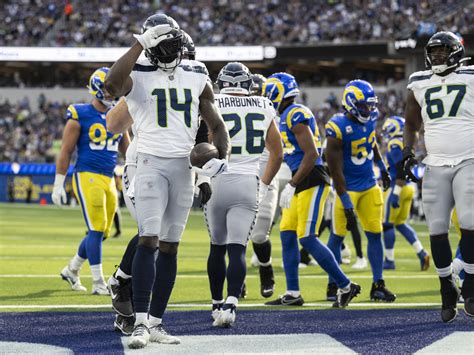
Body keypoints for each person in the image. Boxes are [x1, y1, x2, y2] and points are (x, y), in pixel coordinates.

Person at [105, 14, 230, 349]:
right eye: (163, 45)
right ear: (151, 46)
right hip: (147, 161)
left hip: (182, 165)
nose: (173, 51)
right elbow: (110, 86)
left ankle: (157, 323)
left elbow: (215, 123)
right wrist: (139, 43)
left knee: (171, 245)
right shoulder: (138, 70)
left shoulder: (196, 71)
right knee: (149, 237)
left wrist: (219, 159)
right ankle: (140, 324)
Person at [264, 73, 360, 308]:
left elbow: (312, 154)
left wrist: (293, 184)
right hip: (300, 180)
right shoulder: (287, 114)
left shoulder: (295, 114)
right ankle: (293, 292)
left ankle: (346, 286)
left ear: (277, 92)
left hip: (311, 179)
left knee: (307, 238)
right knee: (286, 234)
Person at [403, 31, 474, 322]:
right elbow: (411, 122)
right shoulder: (419, 82)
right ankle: (446, 285)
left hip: (469, 159)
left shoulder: (471, 75)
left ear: (456, 52)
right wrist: (408, 153)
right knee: (436, 228)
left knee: (470, 222)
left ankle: (470, 282)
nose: (438, 57)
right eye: (434, 52)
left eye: (443, 52)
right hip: (435, 163)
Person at [206, 63, 282, 327]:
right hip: (249, 181)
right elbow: (278, 152)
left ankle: (216, 305)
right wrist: (263, 184)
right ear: (248, 84)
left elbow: (201, 141)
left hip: (218, 179)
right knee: (237, 247)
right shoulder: (263, 104)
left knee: (217, 246)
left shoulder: (212, 100)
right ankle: (231, 303)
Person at [53, 67, 129, 295]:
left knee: (103, 232)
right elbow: (66, 151)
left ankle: (72, 269)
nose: (113, 93)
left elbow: (129, 148)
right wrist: (59, 183)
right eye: (109, 88)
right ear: (97, 88)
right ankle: (98, 282)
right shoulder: (80, 113)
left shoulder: (118, 114)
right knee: (95, 228)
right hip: (86, 174)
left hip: (108, 177)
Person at [325, 79, 396, 303]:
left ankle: (378, 284)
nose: (369, 109)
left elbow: (371, 141)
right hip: (346, 187)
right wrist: (345, 200)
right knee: (337, 237)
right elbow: (335, 170)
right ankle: (333, 284)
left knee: (375, 234)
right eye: (364, 105)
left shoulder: (372, 118)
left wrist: (382, 166)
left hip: (368, 184)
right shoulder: (336, 126)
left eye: (370, 105)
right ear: (351, 103)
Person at [381, 116, 430, 271]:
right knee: (401, 224)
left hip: (399, 187)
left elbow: (401, 168)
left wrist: (395, 192)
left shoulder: (395, 144)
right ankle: (422, 253)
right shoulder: (405, 143)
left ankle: (389, 260)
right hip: (409, 188)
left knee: (387, 225)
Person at [247, 73, 279, 298]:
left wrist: (266, 183)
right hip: (238, 173)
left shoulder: (270, 112)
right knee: (232, 236)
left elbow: (278, 152)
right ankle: (236, 282)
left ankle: (266, 269)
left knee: (259, 235)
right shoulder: (230, 108)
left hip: (265, 174)